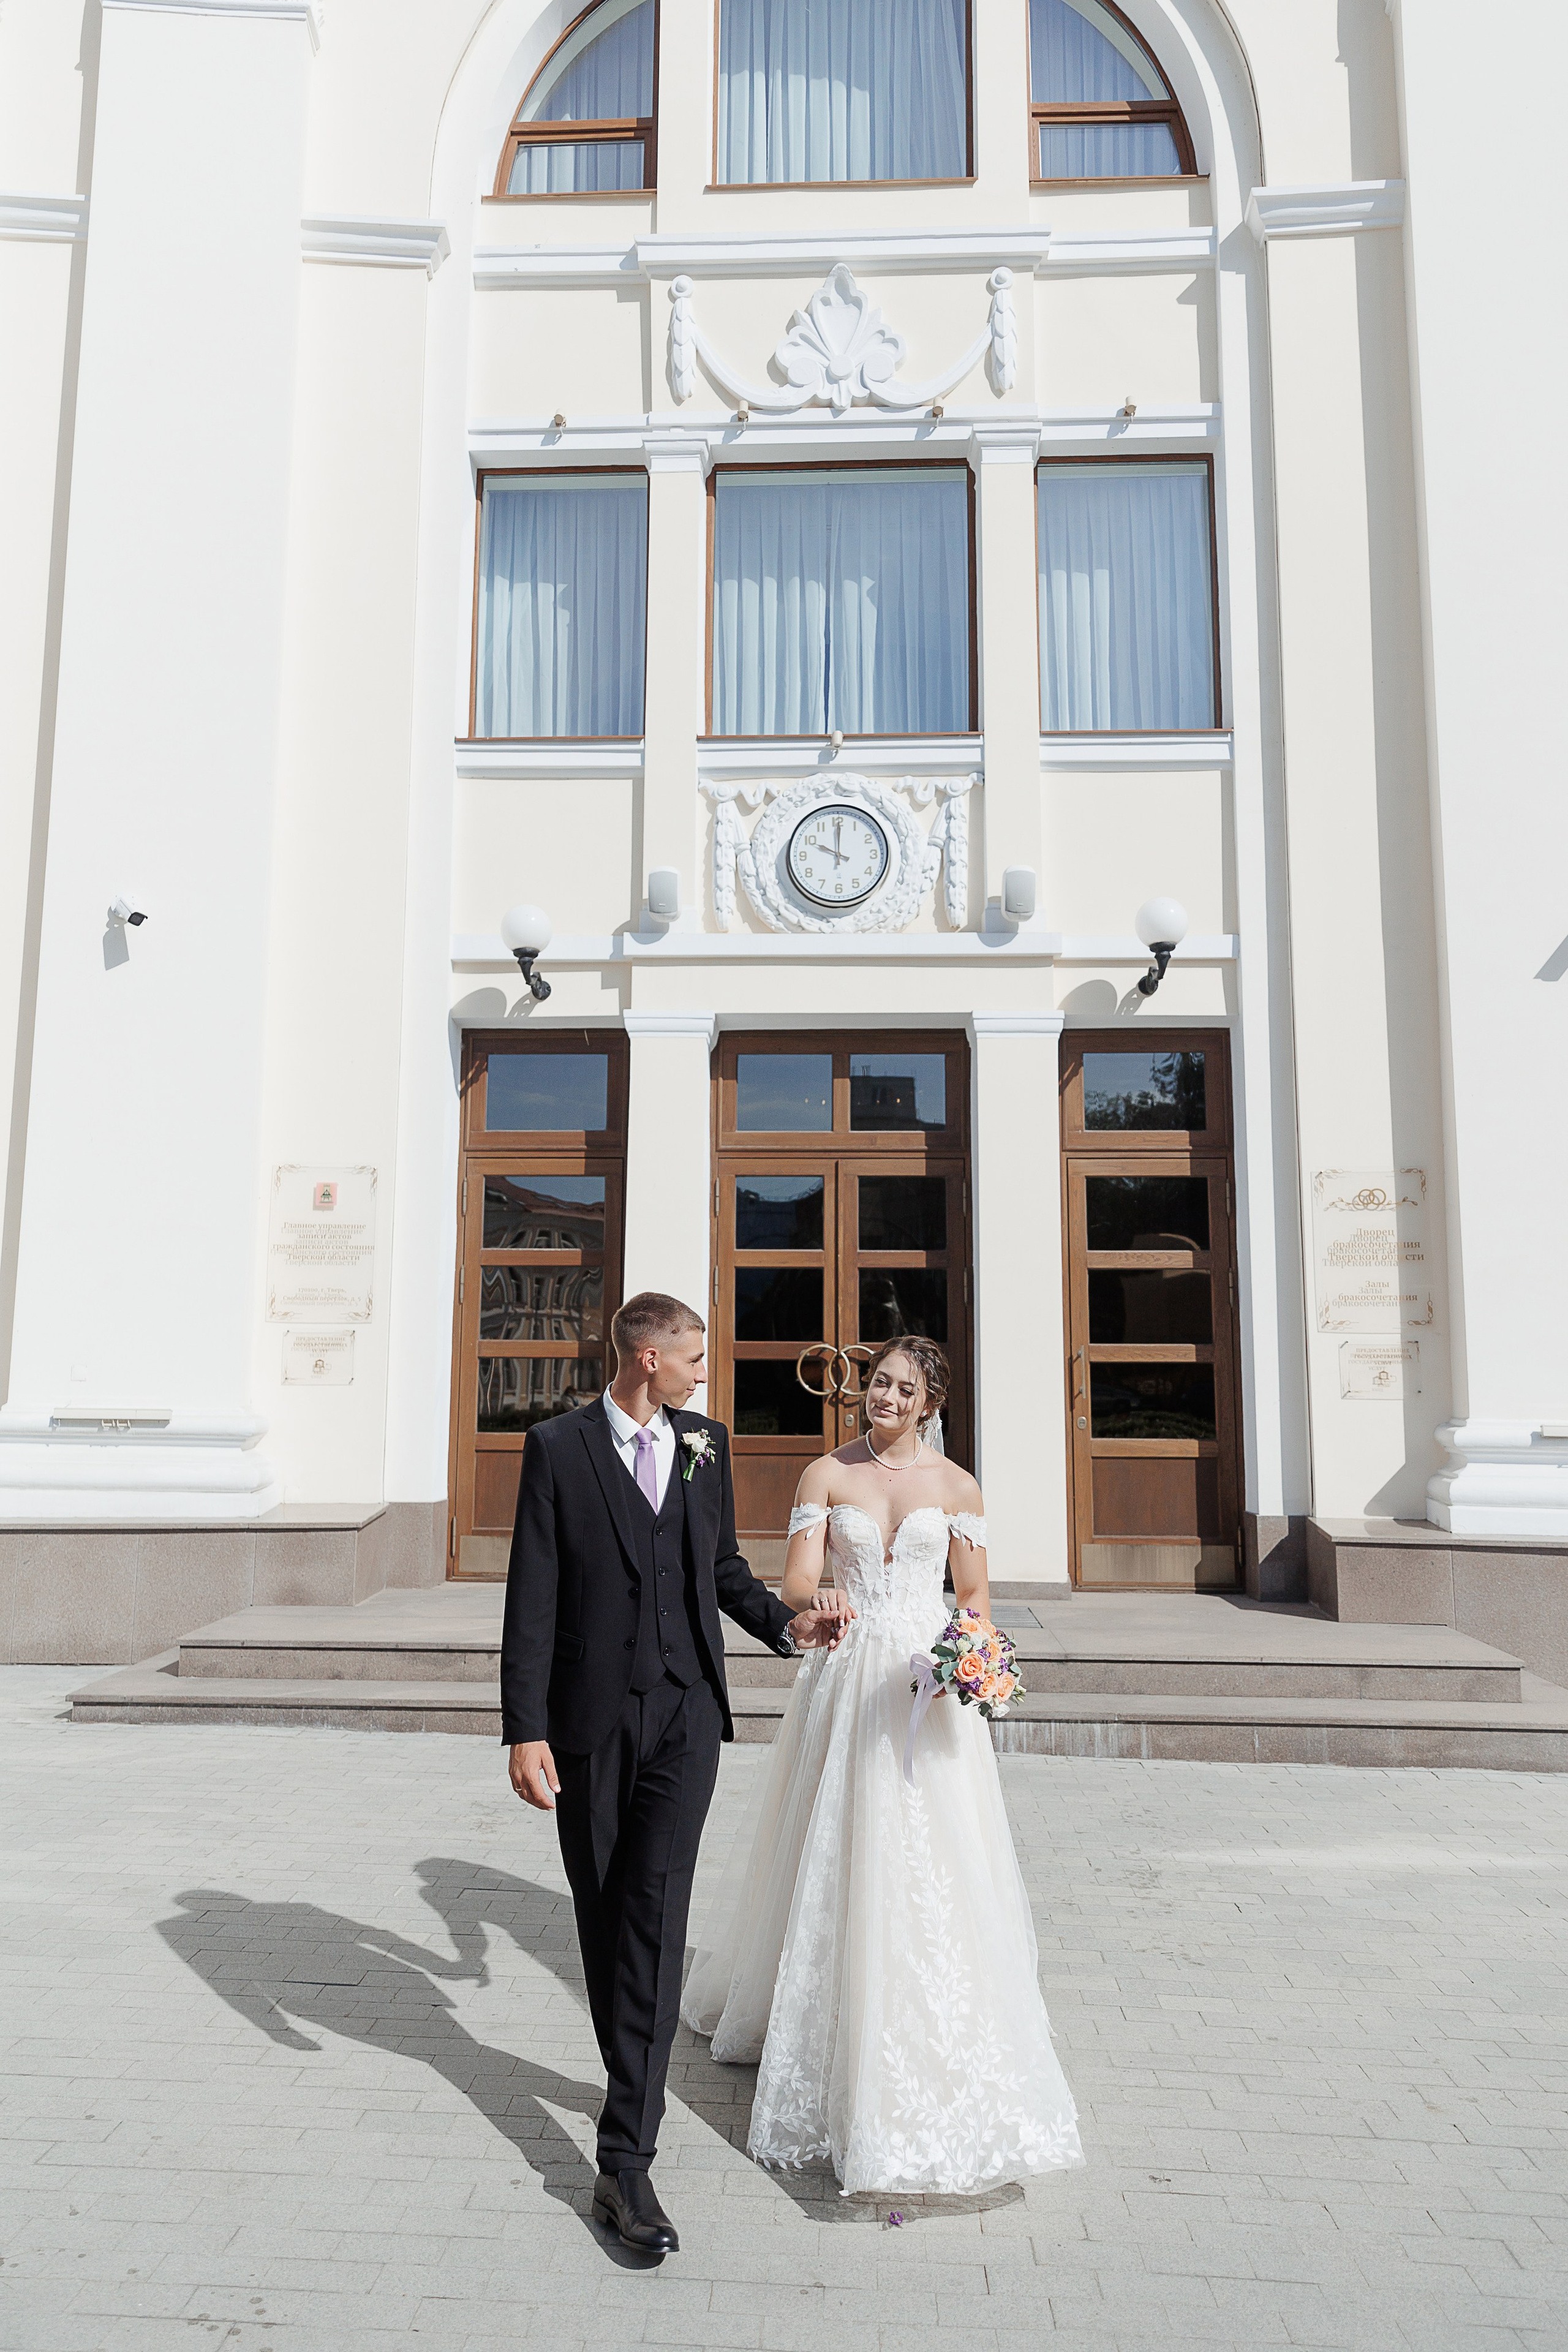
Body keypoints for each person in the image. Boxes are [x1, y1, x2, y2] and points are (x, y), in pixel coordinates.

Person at [682, 1334, 1084, 2196]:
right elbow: (792, 1582)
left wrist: (962, 1663)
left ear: (931, 1402)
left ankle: (937, 2017)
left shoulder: (958, 1487)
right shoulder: (825, 1474)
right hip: (850, 1668)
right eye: (878, 1384)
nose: (885, 1399)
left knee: (935, 1853)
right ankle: (819, 2019)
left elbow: (972, 1598)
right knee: (837, 1844)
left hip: (925, 1682)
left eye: (903, 1389)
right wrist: (821, 1596)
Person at [500, 1291, 851, 2256]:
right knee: (605, 1912)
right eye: (694, 1356)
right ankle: (632, 2079)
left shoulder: (706, 1443)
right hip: (588, 1723)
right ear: (647, 1358)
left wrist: (789, 1624)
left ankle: (626, 2161)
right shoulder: (559, 1449)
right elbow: (533, 1596)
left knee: (656, 1917)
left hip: (688, 1714)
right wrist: (524, 1730)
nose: (706, 1372)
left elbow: (722, 1569)